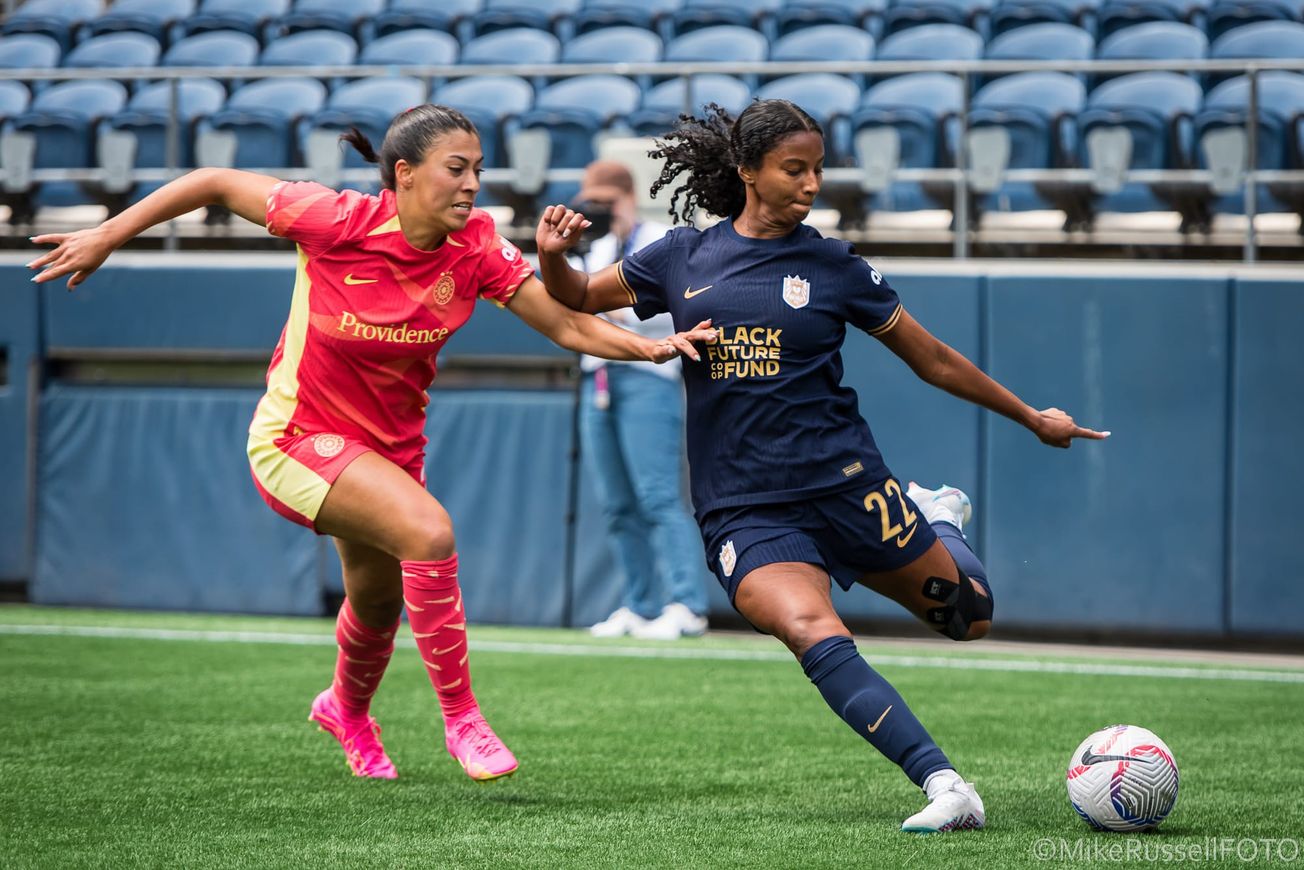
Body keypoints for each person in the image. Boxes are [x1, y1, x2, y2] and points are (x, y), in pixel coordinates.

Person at [27, 105, 714, 784]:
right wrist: (106, 234)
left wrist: (652, 348)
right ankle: (463, 719)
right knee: (429, 532)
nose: (473, 183)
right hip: (295, 440)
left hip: (388, 456)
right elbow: (210, 180)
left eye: (478, 168)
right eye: (457, 168)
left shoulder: (475, 245)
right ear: (405, 173)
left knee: (379, 601)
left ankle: (345, 710)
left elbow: (568, 327)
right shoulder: (333, 219)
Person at [535, 100, 1108, 832]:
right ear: (749, 172)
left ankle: (938, 514)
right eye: (794, 169)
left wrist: (1031, 416)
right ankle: (945, 786)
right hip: (745, 507)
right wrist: (553, 253)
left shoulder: (834, 265)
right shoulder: (681, 256)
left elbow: (929, 358)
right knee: (809, 628)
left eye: (817, 170)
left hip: (848, 486)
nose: (810, 185)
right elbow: (578, 297)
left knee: (970, 618)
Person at [571, 160, 709, 641]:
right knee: (616, 504)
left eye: (606, 204)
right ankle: (641, 604)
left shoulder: (660, 241)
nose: (598, 213)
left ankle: (687, 604)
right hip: (599, 379)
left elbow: (675, 313)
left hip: (649, 378)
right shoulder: (594, 249)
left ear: (627, 199)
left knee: (656, 497)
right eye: (591, 204)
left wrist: (607, 315)